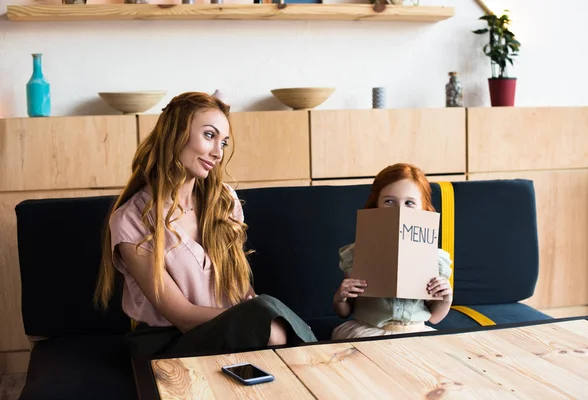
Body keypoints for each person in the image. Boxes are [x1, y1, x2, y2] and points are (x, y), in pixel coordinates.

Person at [93, 92, 316, 357]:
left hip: (232, 333)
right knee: (269, 320)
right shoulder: (131, 219)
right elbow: (182, 316)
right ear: (175, 133)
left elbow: (241, 289)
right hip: (169, 343)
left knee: (268, 316)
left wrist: (255, 312)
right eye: (209, 136)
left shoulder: (224, 200)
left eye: (224, 142)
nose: (218, 153)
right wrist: (254, 318)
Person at [331, 163, 453, 340]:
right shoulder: (358, 253)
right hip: (367, 329)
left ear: (424, 208)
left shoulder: (435, 258)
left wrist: (446, 298)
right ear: (376, 205)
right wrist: (340, 297)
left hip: (415, 331)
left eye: (409, 203)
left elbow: (434, 318)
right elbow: (345, 311)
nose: (399, 210)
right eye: (389, 201)